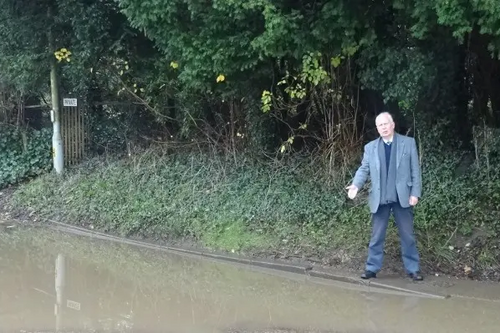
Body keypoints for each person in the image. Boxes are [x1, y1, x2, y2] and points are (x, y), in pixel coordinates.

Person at [346, 112, 423, 281]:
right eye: (380, 125)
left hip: (402, 197)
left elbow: (415, 170)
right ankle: (372, 268)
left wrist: (415, 193)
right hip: (380, 199)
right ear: (377, 128)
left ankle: (413, 269)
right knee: (377, 236)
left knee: (408, 235)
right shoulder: (370, 147)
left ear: (392, 124)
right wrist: (356, 184)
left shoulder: (408, 143)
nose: (383, 128)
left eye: (385, 124)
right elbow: (364, 169)